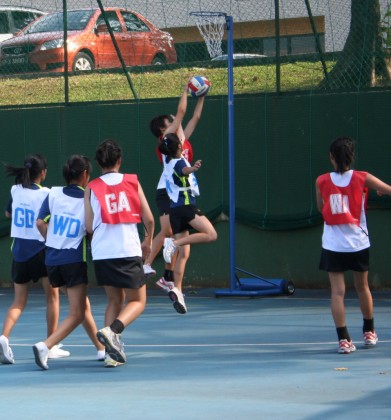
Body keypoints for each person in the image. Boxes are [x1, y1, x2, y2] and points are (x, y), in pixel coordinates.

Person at [315, 136, 391, 354]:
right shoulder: (362, 178)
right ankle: (369, 332)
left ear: (331, 157)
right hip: (357, 243)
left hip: (333, 244)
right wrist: (379, 190)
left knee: (337, 292)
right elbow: (388, 189)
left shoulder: (321, 181)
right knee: (362, 288)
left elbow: (321, 208)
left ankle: (344, 340)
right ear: (352, 157)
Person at [84, 139, 154, 367]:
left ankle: (108, 354)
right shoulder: (131, 181)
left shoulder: (91, 187)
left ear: (98, 162)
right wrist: (148, 241)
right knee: (138, 301)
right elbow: (150, 218)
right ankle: (113, 332)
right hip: (126, 248)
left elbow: (89, 226)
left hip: (102, 251)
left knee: (114, 300)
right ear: (120, 160)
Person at [32, 155, 105, 370]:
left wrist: (52, 240)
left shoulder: (53, 193)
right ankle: (46, 345)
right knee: (78, 312)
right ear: (85, 175)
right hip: (73, 259)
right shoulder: (89, 198)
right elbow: (92, 230)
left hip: (52, 260)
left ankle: (101, 349)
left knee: (82, 305)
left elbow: (39, 222)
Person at [0, 154, 70, 365]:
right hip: (41, 252)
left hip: (20, 252)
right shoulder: (47, 194)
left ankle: (3, 337)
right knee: (53, 297)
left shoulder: (16, 190)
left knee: (18, 302)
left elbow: (7, 213)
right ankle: (51, 344)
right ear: (43, 173)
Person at [145, 79, 206, 294]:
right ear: (164, 129)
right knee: (169, 232)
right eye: (170, 120)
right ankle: (148, 264)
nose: (175, 119)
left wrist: (201, 97)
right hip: (169, 191)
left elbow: (194, 117)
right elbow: (180, 113)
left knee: (181, 246)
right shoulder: (167, 142)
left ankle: (170, 281)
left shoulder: (181, 140)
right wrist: (185, 88)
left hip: (182, 193)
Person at [159, 133, 217, 314]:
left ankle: (178, 289)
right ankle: (173, 243)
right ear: (178, 148)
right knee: (211, 234)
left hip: (174, 210)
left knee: (184, 254)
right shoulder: (179, 162)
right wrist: (193, 168)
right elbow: (184, 170)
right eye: (181, 143)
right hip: (186, 207)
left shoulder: (166, 162)